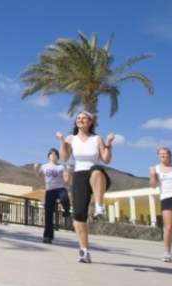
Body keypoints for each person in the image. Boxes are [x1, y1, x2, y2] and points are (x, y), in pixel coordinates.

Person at [57, 110, 115, 263]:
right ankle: (84, 251)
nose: (80, 120)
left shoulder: (97, 139)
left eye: (84, 118)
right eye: (78, 118)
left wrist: (108, 144)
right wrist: (62, 142)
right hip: (79, 176)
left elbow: (106, 160)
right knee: (79, 215)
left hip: (98, 177)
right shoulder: (72, 139)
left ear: (90, 122)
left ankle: (99, 205)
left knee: (96, 170)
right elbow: (64, 158)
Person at [33, 148, 71, 244]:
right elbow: (39, 177)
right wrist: (35, 169)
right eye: (51, 154)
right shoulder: (44, 166)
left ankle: (66, 210)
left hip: (60, 188)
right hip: (49, 190)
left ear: (58, 157)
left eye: (55, 154)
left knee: (64, 197)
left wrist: (69, 172)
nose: (53, 155)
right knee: (48, 214)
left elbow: (66, 181)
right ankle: (47, 237)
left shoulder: (61, 167)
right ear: (49, 156)